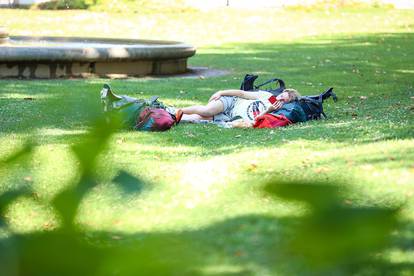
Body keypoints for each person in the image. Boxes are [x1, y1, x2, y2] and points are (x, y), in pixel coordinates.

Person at [176, 88, 301, 128]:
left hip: (229, 116)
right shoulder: (268, 96)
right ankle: (180, 110)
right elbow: (242, 93)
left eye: (283, 100)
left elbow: (256, 120)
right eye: (280, 96)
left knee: (198, 118)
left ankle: (173, 117)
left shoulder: (277, 114)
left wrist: (269, 110)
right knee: (207, 110)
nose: (278, 99)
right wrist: (222, 92)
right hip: (231, 102)